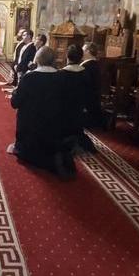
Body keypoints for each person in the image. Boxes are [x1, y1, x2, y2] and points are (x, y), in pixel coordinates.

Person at [9, 47, 74, 178]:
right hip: (54, 129)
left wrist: (15, 92)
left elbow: (15, 103)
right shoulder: (62, 77)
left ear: (37, 59)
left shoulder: (29, 78)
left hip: (31, 130)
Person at [57, 45, 96, 154]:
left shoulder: (60, 74)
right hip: (79, 112)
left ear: (67, 56)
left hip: (63, 114)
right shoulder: (85, 74)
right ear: (81, 57)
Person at [80, 41, 102, 129]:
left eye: (83, 50)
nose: (81, 52)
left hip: (87, 101)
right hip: (93, 99)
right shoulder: (95, 64)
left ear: (88, 51)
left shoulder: (87, 66)